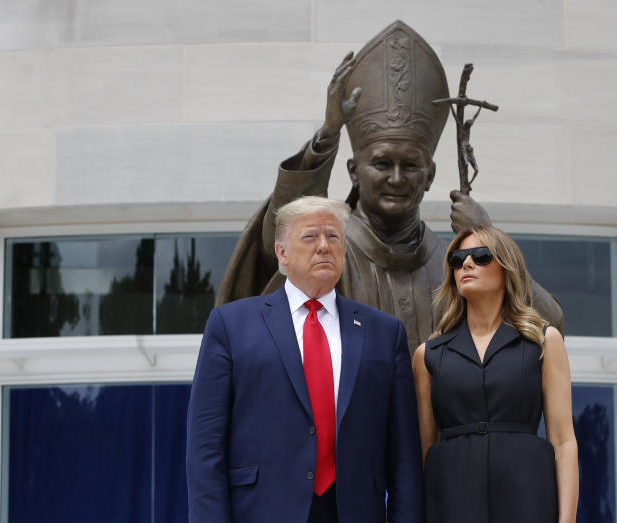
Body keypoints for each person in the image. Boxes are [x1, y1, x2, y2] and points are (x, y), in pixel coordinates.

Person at [216, 20, 563, 353]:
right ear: (354, 171)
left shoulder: (456, 265)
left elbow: (550, 328)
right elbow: (278, 236)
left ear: (429, 175)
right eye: (382, 164)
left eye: (410, 165)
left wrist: (488, 243)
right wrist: (327, 136)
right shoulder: (328, 254)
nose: (396, 178)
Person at [186, 196, 424, 523]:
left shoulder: (381, 332)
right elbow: (205, 434)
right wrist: (211, 521)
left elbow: (403, 446)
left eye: (333, 237)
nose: (324, 247)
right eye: (310, 236)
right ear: (281, 252)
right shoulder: (232, 324)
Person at [402, 226, 588, 523]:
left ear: (506, 267)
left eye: (480, 256)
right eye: (457, 259)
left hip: (528, 504)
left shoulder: (543, 341)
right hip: (450, 507)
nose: (466, 264)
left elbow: (564, 440)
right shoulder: (428, 355)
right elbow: (423, 451)